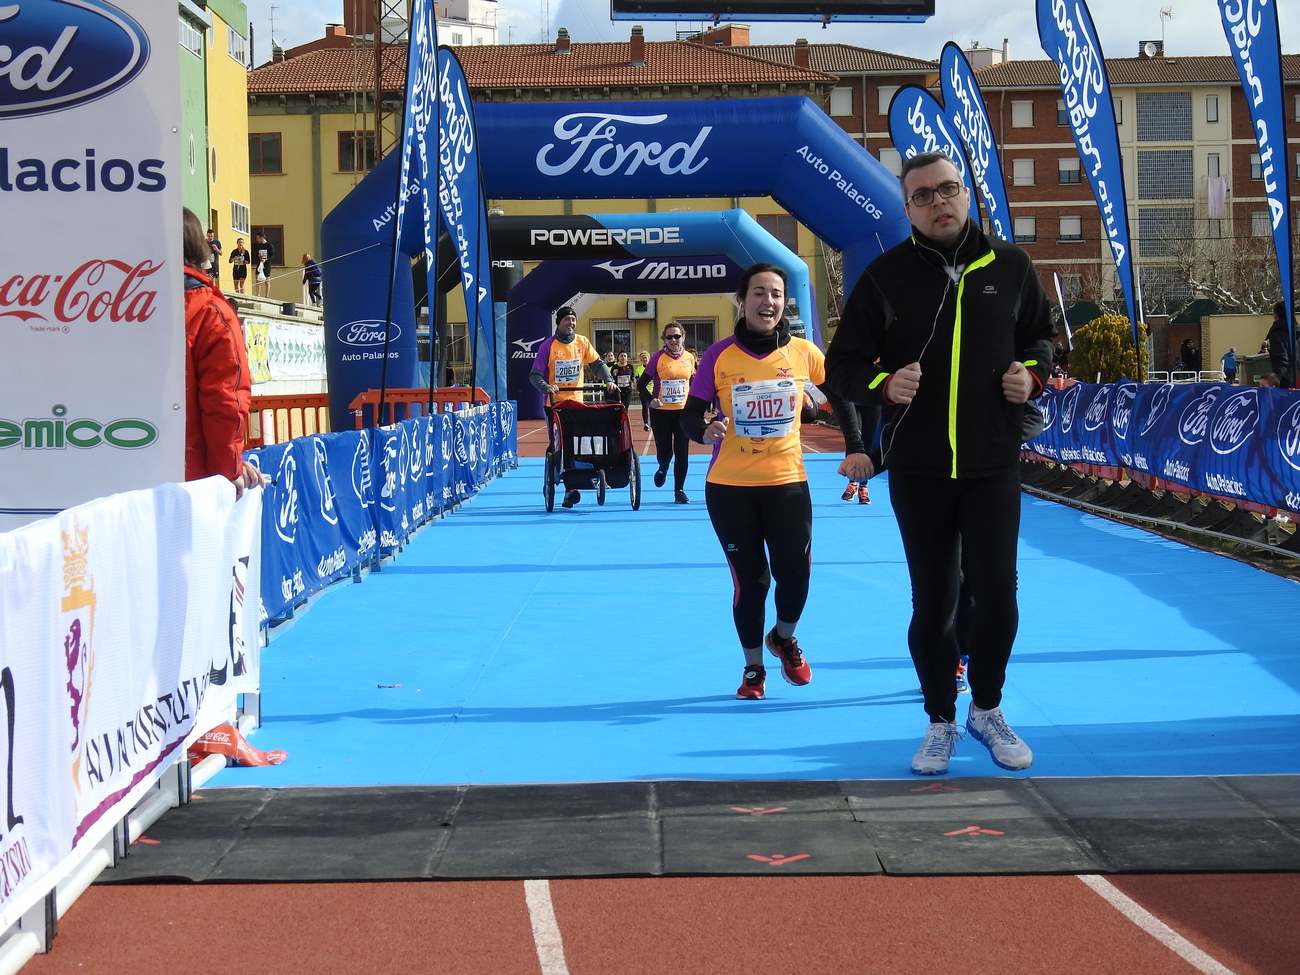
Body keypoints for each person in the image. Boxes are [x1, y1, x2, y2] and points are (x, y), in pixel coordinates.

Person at [826, 151, 1054, 775]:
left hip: (992, 463)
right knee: (935, 602)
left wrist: (1030, 375)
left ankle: (986, 708)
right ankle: (940, 719)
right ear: (907, 209)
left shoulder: (1010, 266)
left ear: (966, 194)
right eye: (923, 196)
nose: (938, 202)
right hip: (920, 468)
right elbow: (841, 364)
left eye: (947, 189)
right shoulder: (885, 276)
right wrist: (882, 383)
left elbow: (1044, 340)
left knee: (999, 601)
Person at [682, 262, 846, 700]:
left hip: (788, 482)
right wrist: (703, 430)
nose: (767, 302)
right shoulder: (718, 354)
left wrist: (859, 445)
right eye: (758, 293)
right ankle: (753, 667)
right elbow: (690, 413)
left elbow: (841, 393)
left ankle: (784, 637)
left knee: (797, 575)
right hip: (730, 486)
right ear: (742, 300)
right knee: (751, 580)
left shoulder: (804, 353)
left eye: (775, 293)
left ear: (784, 302)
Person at [182, 209, 265, 498]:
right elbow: (225, 401)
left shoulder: (108, 309)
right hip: (191, 486)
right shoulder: (209, 312)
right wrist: (228, 471)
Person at [529, 305, 617, 508]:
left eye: (573, 319)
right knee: (561, 445)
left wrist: (608, 379)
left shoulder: (582, 342)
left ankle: (583, 478)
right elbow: (534, 375)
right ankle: (566, 485)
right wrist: (547, 387)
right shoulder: (548, 346)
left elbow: (598, 364)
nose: (571, 323)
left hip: (577, 403)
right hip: (555, 405)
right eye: (567, 319)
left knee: (580, 443)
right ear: (559, 322)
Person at [639, 323, 697, 503]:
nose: (673, 340)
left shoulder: (689, 358)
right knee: (665, 452)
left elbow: (695, 384)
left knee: (682, 452)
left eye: (677, 336)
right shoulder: (657, 358)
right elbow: (641, 385)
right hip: (661, 413)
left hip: (682, 413)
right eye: (669, 337)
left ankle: (679, 490)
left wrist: (696, 407)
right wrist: (651, 400)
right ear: (664, 339)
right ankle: (663, 467)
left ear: (683, 337)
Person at [1267, 302, 1293, 388]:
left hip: (1286, 381)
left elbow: (1280, 359)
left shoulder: (1277, 332)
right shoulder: (1295, 330)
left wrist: (1278, 382)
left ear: (1276, 314)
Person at [252, 232, 274, 298]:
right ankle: (258, 294)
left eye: (258, 238)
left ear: (262, 237)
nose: (257, 240)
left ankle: (267, 295)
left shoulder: (269, 245)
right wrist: (258, 256)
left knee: (267, 280)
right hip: (260, 263)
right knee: (257, 278)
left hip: (267, 264)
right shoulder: (258, 245)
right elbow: (255, 254)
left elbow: (272, 255)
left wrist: (266, 259)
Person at [636, 350, 653, 430]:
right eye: (642, 358)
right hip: (643, 392)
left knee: (653, 407)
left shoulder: (653, 367)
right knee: (645, 407)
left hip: (653, 390)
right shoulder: (639, 369)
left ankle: (654, 422)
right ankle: (646, 423)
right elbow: (637, 380)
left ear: (649, 358)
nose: (644, 359)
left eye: (645, 357)